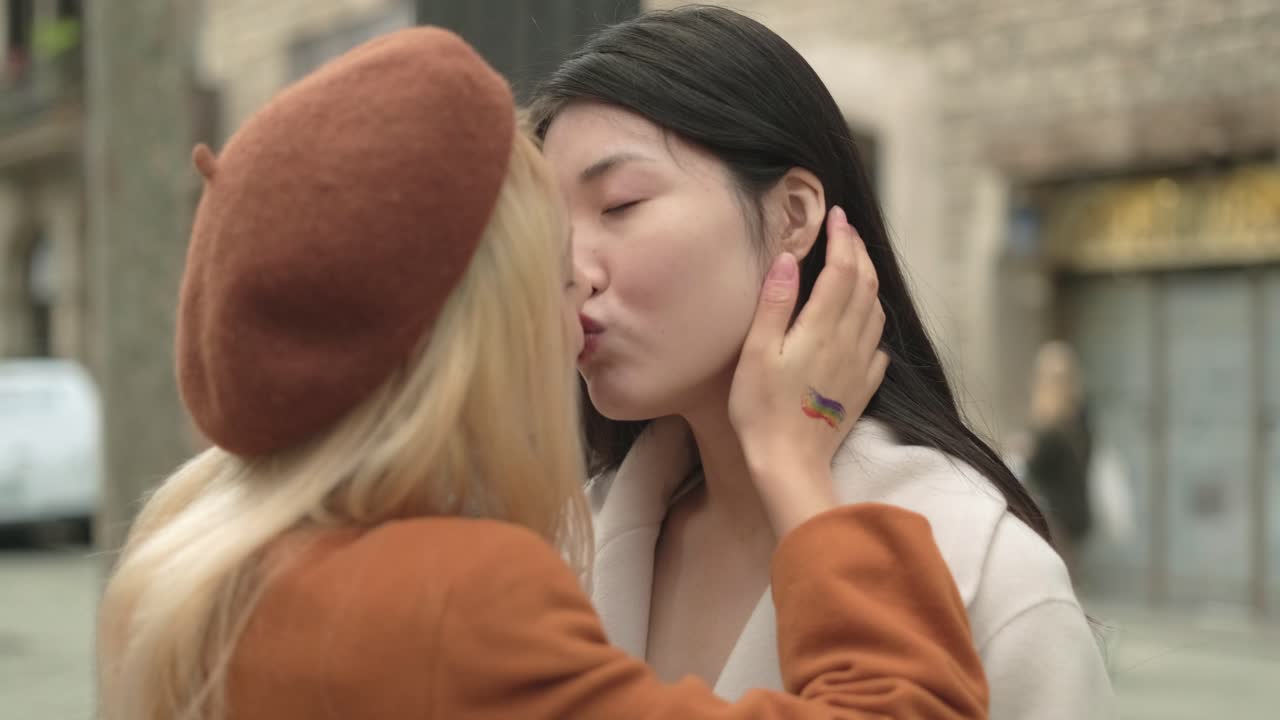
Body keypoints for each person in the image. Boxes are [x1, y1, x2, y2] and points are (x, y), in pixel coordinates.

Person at [93, 27, 991, 720]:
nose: (581, 280)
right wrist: (796, 464)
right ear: (477, 324)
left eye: (623, 205)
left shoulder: (197, 572)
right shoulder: (455, 601)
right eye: (553, 256)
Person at [531, 6, 1112, 718]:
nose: (570, 271)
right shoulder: (564, 549)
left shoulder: (982, 566)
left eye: (620, 205)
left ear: (795, 215)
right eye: (550, 233)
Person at [1024, 340, 1094, 579]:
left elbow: (1035, 467)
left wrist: (1025, 450)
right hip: (1076, 514)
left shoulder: (1050, 426)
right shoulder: (1081, 416)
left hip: (1055, 518)